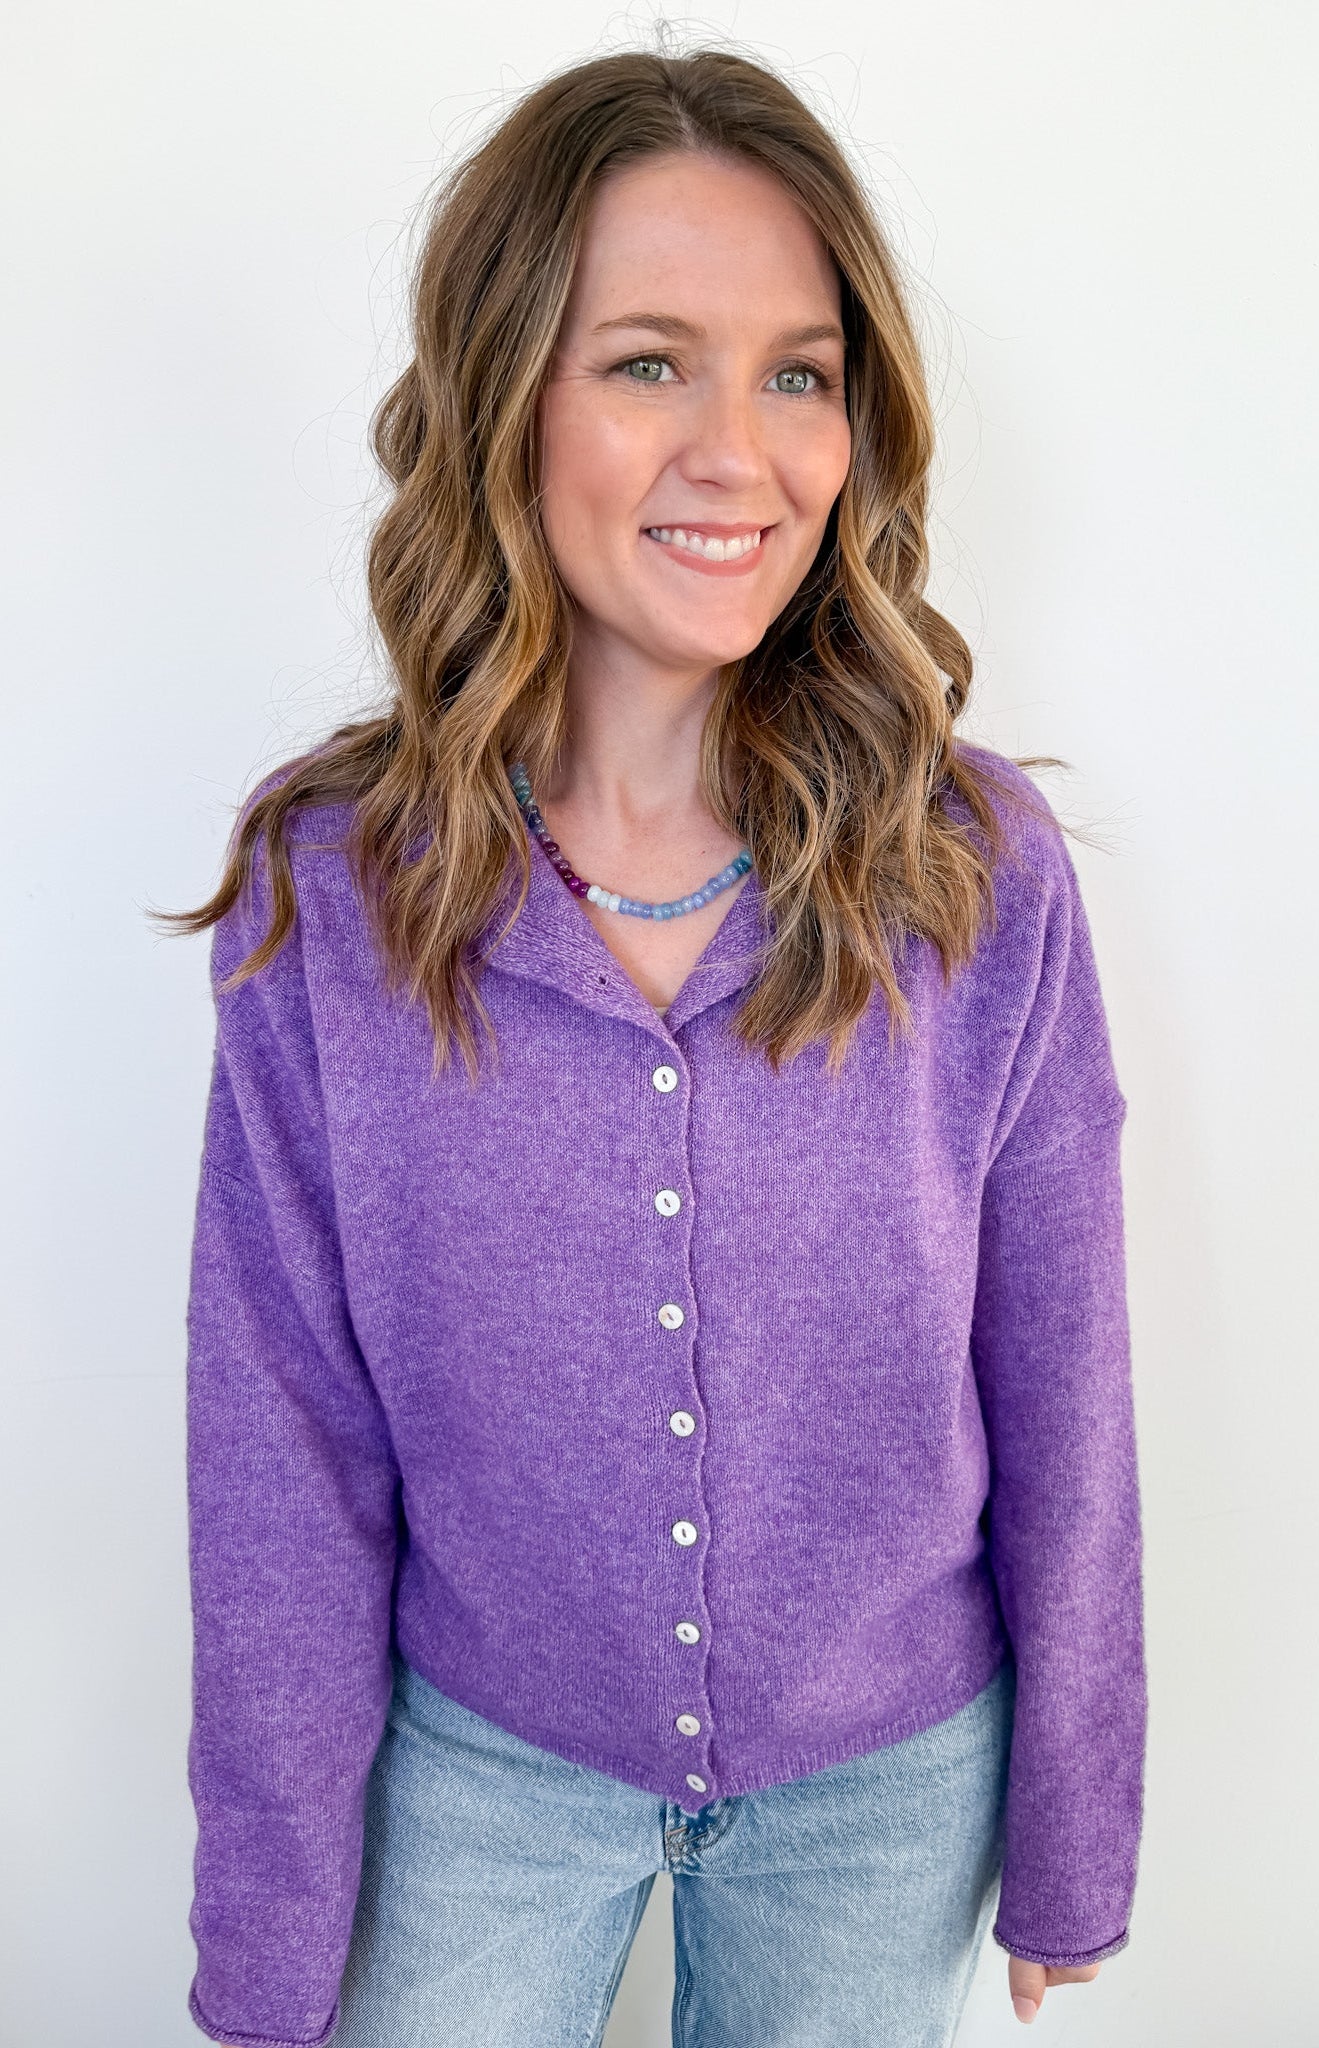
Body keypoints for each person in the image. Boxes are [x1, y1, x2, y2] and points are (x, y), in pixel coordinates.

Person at [161, 42, 1146, 2048]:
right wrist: (267, 1943)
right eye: (645, 362)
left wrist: (1070, 1833)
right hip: (479, 1771)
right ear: (504, 395)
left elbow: (1063, 1379)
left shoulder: (974, 877)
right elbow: (275, 1453)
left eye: (798, 371)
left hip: (883, 1794)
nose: (740, 450)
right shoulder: (330, 896)